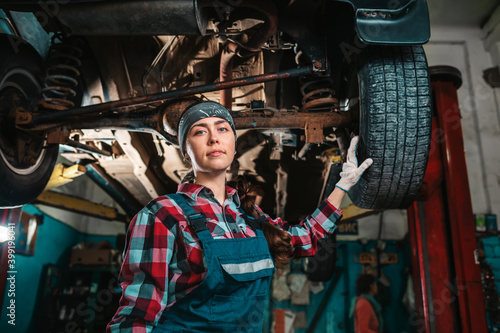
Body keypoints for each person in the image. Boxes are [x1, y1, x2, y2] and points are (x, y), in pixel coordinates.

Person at [107, 101, 373, 332]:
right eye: (200, 131)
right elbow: (137, 315)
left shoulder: (250, 217)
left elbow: (304, 239)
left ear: (234, 145)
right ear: (186, 151)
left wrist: (342, 186)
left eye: (222, 129)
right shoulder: (162, 214)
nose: (213, 138)